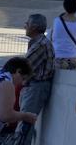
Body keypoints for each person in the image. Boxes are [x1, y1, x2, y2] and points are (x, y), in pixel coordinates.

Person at [18, 13, 55, 144]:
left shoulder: (40, 44)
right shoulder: (39, 42)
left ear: (34, 27)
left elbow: (22, 68)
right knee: (25, 123)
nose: (25, 26)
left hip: (36, 87)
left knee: (24, 125)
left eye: (27, 24)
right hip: (34, 86)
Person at [51, 0, 76, 70]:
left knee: (57, 80)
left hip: (57, 56)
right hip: (74, 57)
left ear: (64, 6)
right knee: (72, 81)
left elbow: (52, 38)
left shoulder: (56, 21)